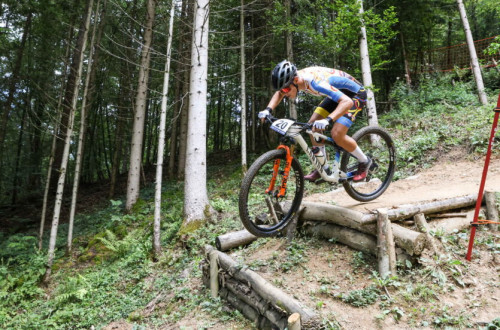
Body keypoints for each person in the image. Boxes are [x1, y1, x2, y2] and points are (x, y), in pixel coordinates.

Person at [258, 60, 371, 182]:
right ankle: (323, 168)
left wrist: (328, 119)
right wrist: (268, 110)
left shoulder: (316, 83)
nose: (284, 94)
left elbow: (347, 102)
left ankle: (365, 161)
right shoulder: (293, 80)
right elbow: (279, 93)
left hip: (354, 95)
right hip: (336, 93)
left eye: (286, 90)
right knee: (312, 127)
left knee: (337, 134)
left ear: (295, 80)